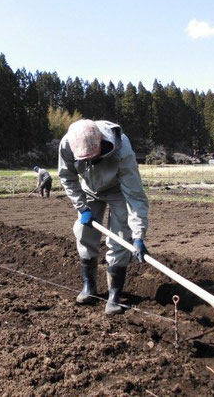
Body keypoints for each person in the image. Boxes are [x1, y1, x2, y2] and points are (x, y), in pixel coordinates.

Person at [58, 119, 149, 315]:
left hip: (119, 191)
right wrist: (82, 208)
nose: (91, 163)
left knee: (120, 236)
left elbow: (135, 195)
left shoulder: (122, 150)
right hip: (89, 190)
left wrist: (139, 235)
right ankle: (89, 287)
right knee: (83, 232)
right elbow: (67, 177)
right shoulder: (67, 144)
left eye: (95, 158)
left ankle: (114, 295)